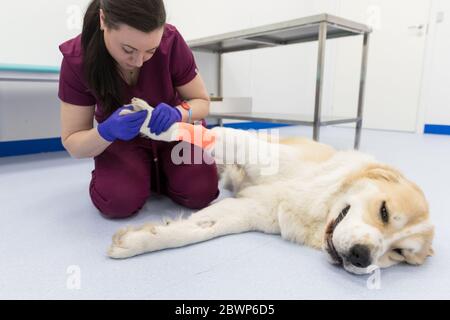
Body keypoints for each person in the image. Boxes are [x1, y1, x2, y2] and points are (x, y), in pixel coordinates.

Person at [58, 0, 219, 219]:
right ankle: (140, 174)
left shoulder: (170, 41)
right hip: (122, 143)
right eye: (128, 49)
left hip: (172, 134)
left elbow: (202, 101)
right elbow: (73, 142)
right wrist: (106, 132)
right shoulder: (78, 60)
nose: (140, 61)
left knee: (202, 190)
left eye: (150, 51)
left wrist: (179, 112)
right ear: (103, 20)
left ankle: (156, 172)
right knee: (117, 200)